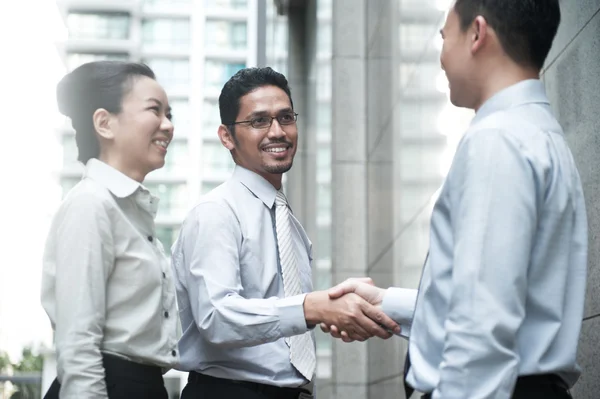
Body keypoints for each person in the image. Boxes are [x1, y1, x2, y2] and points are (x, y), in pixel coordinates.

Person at [323, 1, 586, 398]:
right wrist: (386, 301)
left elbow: (482, 327)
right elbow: (497, 296)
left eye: (444, 36)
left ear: (477, 34)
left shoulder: (498, 140)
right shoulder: (536, 132)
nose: (442, 56)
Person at [171, 67, 400, 399]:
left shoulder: (287, 221)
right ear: (226, 136)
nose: (277, 131)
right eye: (259, 121)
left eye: (286, 118)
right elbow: (216, 317)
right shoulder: (216, 212)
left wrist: (337, 311)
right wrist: (312, 308)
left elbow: (288, 318)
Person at [41, 61, 178, 399]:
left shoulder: (130, 210)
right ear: (104, 123)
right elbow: (77, 344)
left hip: (143, 386)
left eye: (169, 114)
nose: (168, 125)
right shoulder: (91, 205)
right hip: (109, 385)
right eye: (154, 110)